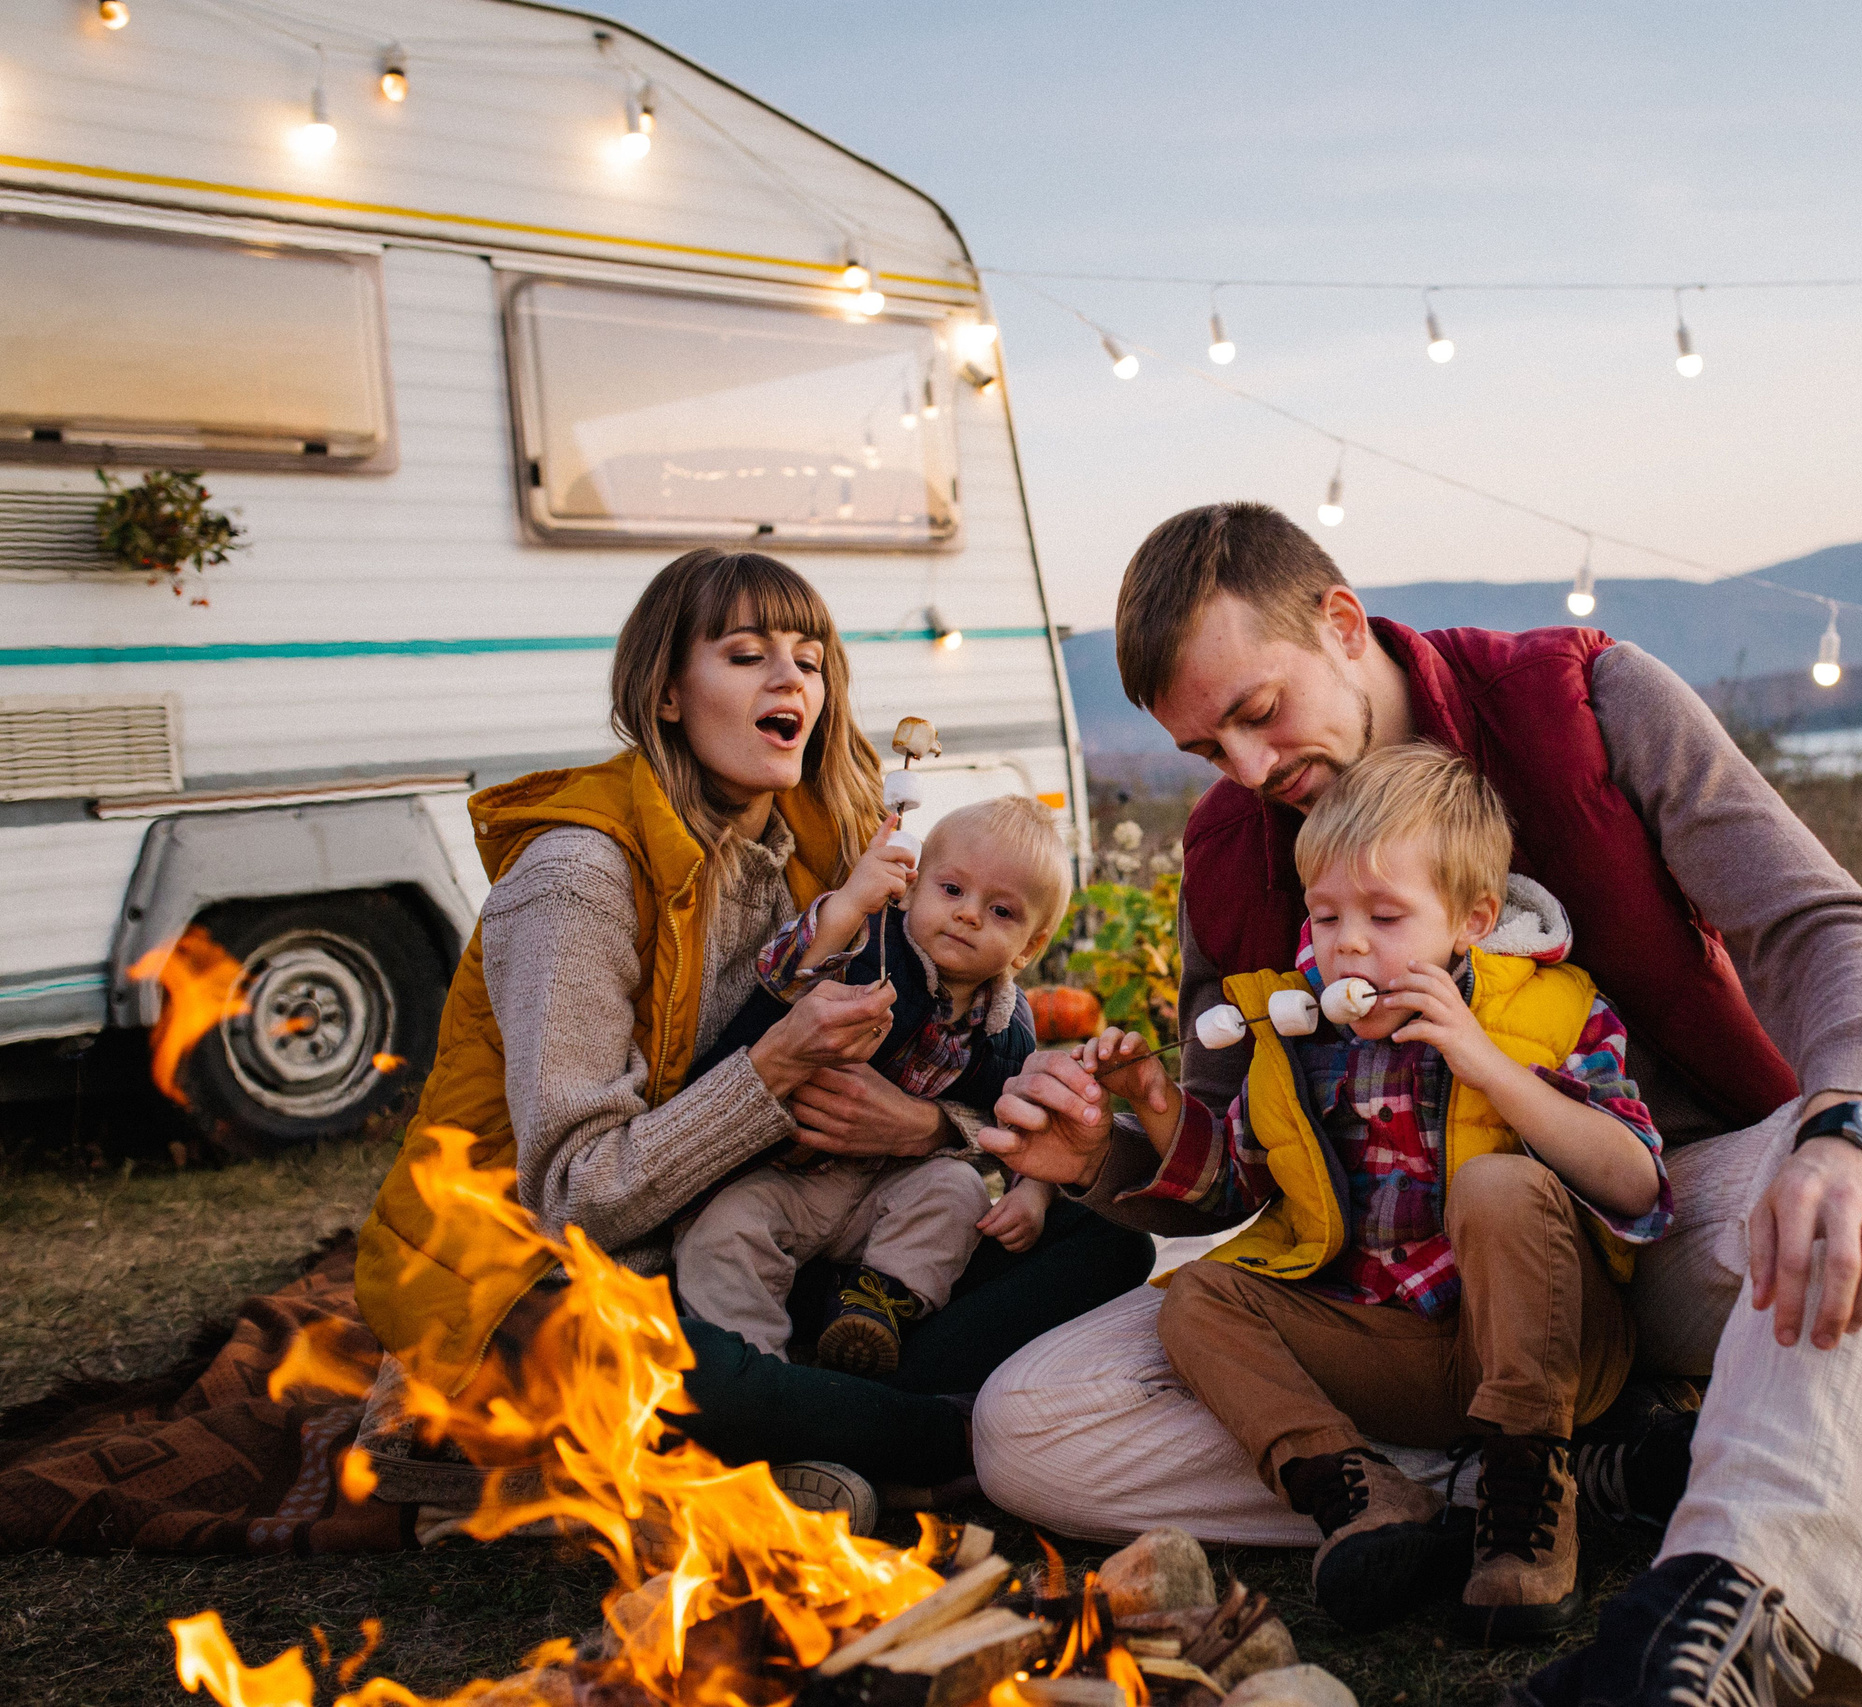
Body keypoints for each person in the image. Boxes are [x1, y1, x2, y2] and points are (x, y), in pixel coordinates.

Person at [977, 503, 1862, 1706]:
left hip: (1662, 1217)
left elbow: (1828, 927)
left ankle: (1748, 1611)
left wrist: (1852, 1128)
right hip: (1391, 1293)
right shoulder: (1229, 851)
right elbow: (1223, 1164)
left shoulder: (1584, 704)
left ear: (1342, 624)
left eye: (1259, 711)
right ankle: (1544, 1480)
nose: (1248, 772)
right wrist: (1102, 1151)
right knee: (1027, 1424)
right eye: (1206, 751)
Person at [352, 548, 1153, 1531]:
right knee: (699, 1373)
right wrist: (771, 1069)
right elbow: (576, 1200)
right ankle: (934, 1438)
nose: (791, 682)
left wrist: (925, 1130)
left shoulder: (807, 855)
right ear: (667, 694)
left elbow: (953, 1051)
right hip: (550, 1271)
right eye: (746, 656)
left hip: (762, 1225)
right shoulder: (577, 880)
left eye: (808, 661)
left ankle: (829, 1421)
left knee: (1102, 1239)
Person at [1086, 743, 1670, 1642]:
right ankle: (1364, 1493)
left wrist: (1486, 1062)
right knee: (1197, 1296)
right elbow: (1238, 1180)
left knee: (1497, 1184)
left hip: (1550, 1339)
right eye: (1325, 915)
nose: (1348, 943)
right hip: (1397, 1349)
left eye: (1385, 915)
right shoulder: (1298, 1036)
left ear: (1472, 919)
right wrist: (1158, 1107)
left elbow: (1636, 1181)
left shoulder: (1555, 1007)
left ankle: (1526, 1500)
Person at [675, 793, 1072, 1376]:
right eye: (952, 890)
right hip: (789, 1177)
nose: (969, 915)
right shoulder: (871, 945)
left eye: (1002, 912)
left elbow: (1029, 1122)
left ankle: (875, 1303)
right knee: (723, 1235)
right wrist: (845, 908)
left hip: (889, 1190)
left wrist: (1032, 1194)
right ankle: (756, 1369)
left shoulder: (1009, 1031)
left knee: (958, 1190)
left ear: (1031, 947)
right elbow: (784, 974)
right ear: (910, 889)